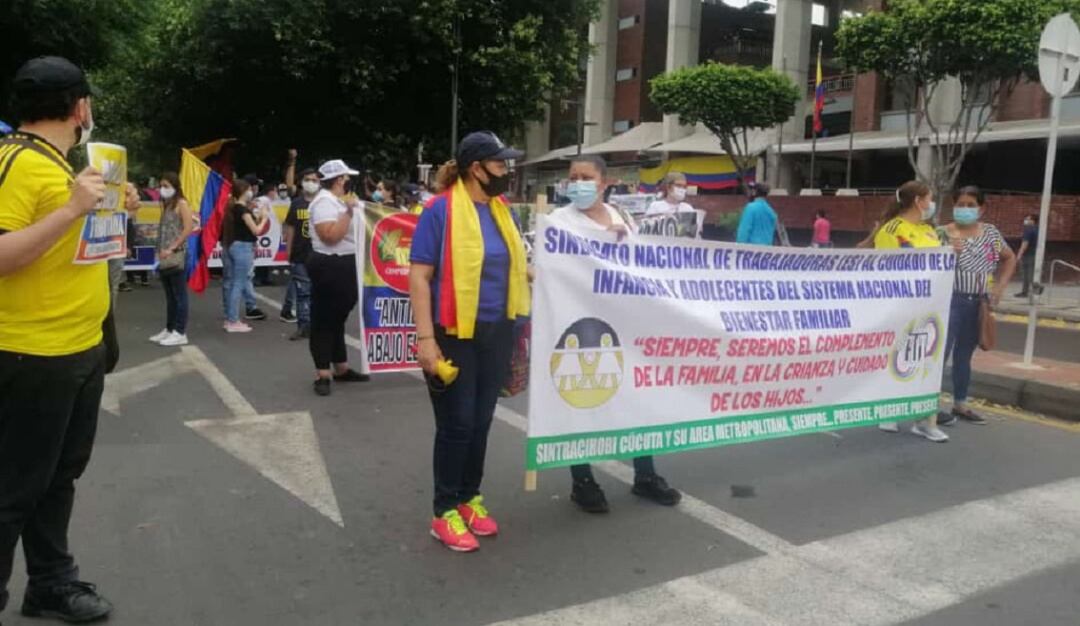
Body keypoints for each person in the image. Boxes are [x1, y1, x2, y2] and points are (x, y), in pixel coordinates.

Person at [0, 55, 139, 624]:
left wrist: (110, 210)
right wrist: (74, 209)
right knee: (13, 488)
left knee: (59, 476)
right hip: (32, 353)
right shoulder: (14, 161)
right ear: (79, 107)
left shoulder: (64, 166)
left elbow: (70, 248)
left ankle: (51, 583)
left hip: (78, 348)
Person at [409, 131, 530, 552]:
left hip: (498, 331)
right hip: (452, 333)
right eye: (500, 164)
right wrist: (426, 340)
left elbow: (520, 268)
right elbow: (420, 277)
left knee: (481, 421)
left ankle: (468, 498)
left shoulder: (501, 211)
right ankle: (444, 511)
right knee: (457, 423)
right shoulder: (439, 211)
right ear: (476, 168)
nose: (507, 171)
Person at [549, 155, 682, 513]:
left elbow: (639, 266)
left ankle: (645, 475)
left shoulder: (622, 218)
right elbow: (549, 268)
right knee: (581, 401)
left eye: (586, 177)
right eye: (573, 177)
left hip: (624, 324)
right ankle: (583, 481)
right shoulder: (558, 221)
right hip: (579, 324)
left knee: (637, 400)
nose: (578, 183)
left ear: (604, 182)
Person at [874, 181, 949, 442]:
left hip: (931, 309)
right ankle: (888, 410)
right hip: (900, 306)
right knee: (896, 359)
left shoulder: (930, 231)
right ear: (918, 200)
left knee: (928, 361)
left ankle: (925, 421)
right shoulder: (891, 230)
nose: (931, 204)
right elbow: (884, 269)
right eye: (929, 199)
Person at [937, 187, 1016, 427]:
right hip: (949, 300)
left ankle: (960, 404)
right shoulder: (942, 233)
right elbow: (924, 261)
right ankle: (931, 406)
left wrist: (1000, 287)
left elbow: (1009, 257)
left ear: (982, 208)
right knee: (940, 355)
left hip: (978, 303)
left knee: (964, 356)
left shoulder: (990, 233)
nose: (965, 209)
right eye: (961, 204)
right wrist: (945, 250)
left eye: (971, 205)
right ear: (953, 206)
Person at [307, 159, 371, 395]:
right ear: (339, 179)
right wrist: (349, 211)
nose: (348, 182)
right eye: (346, 178)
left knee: (336, 319)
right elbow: (329, 236)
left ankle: (340, 368)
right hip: (330, 263)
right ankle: (323, 372)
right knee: (325, 319)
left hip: (344, 263)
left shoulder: (334, 201)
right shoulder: (325, 202)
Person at [147, 172, 194, 346]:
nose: (162, 189)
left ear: (175, 186)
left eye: (166, 186)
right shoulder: (167, 205)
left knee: (179, 295)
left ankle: (180, 331)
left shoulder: (181, 203)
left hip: (176, 254)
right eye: (161, 186)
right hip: (163, 254)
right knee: (170, 296)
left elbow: (188, 228)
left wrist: (173, 247)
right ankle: (169, 328)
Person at [221, 179, 270, 333]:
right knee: (239, 283)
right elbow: (256, 230)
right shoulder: (242, 210)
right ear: (243, 191)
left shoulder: (235, 208)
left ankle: (230, 317)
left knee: (234, 282)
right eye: (249, 189)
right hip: (242, 247)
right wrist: (264, 218)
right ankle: (233, 320)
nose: (252, 192)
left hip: (235, 245)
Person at [282, 166, 318, 340]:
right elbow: (290, 228)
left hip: (319, 255)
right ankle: (303, 326)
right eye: (308, 180)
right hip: (300, 254)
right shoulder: (296, 204)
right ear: (302, 183)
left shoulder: (323, 202)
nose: (311, 183)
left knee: (317, 293)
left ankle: (316, 326)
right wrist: (288, 251)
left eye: (315, 180)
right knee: (302, 292)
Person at [646, 172, 703, 237]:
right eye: (678, 185)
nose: (682, 189)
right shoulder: (656, 206)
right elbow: (648, 231)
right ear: (668, 187)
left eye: (684, 186)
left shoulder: (687, 208)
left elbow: (695, 233)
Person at [1015, 213, 1042, 298]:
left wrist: (1019, 254)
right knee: (1029, 274)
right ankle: (1025, 292)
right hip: (1035, 253)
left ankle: (1037, 287)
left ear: (1032, 221)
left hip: (1028, 254)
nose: (1025, 220)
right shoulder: (1037, 229)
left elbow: (1025, 243)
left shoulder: (1028, 230)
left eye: (1027, 219)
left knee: (1027, 274)